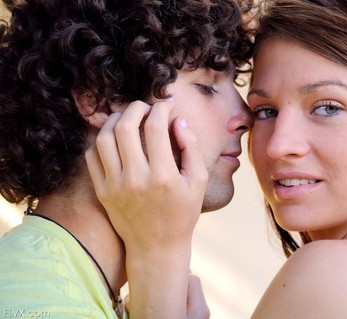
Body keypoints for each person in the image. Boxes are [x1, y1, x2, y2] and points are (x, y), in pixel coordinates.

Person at [88, 0, 347, 317]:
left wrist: (159, 255)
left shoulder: (343, 276)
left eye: (327, 107)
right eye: (266, 111)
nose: (277, 146)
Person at [0, 0, 254, 317]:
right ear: (102, 102)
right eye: (206, 86)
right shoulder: (39, 304)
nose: (246, 116)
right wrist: (163, 257)